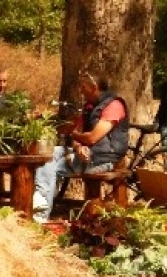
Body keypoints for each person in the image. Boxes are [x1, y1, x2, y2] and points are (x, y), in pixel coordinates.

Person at [32, 70, 128, 222]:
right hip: (87, 155)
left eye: (84, 87)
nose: (81, 91)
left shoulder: (114, 105)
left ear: (94, 87)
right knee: (49, 154)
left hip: (104, 159)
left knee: (48, 166)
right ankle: (40, 213)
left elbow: (91, 137)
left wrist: (74, 136)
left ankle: (40, 215)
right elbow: (80, 137)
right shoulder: (89, 106)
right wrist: (78, 147)